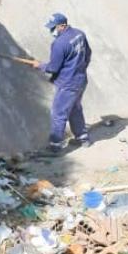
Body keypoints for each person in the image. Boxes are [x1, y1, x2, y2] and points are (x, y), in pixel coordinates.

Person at [33, 12, 92, 153]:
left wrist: (40, 65)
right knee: (75, 108)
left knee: (58, 113)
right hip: (81, 80)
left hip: (68, 84)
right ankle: (82, 138)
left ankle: (55, 146)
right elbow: (88, 54)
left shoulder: (59, 44)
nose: (51, 31)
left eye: (53, 28)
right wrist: (80, 70)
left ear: (62, 25)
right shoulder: (80, 34)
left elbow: (53, 67)